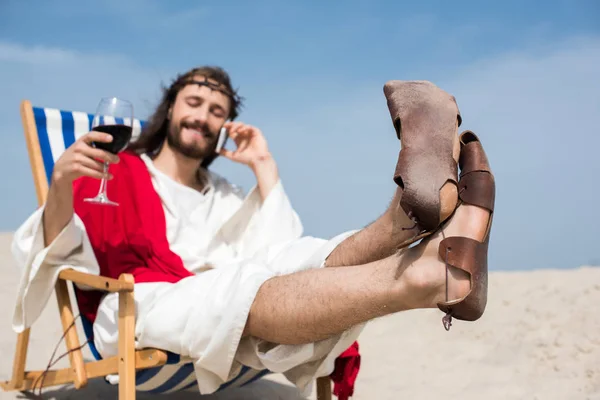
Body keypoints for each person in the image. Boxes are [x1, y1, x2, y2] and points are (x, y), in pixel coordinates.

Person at [10, 67, 495, 397]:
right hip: (139, 304)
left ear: (224, 127)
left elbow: (280, 248)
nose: (203, 115)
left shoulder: (222, 193)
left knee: (296, 257)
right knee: (242, 286)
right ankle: (427, 268)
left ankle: (406, 223)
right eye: (194, 102)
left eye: (216, 110)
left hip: (215, 293)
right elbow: (51, 251)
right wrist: (59, 187)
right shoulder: (115, 171)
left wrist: (264, 164)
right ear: (170, 109)